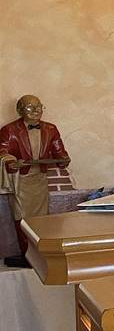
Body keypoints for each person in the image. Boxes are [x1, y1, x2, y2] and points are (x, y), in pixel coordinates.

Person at [1, 94, 71, 267]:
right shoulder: (9, 130)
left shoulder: (50, 129)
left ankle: (40, 253)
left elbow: (59, 151)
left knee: (41, 219)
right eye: (30, 107)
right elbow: (2, 151)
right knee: (22, 218)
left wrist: (63, 159)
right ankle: (27, 254)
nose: (36, 111)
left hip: (40, 180)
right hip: (20, 181)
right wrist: (11, 161)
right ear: (20, 110)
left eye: (39, 107)